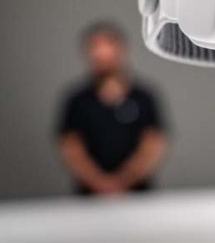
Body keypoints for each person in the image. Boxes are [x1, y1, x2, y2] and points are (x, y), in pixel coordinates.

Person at [57, 22, 167, 195]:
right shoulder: (77, 100)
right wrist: (100, 183)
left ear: (122, 50)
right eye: (95, 47)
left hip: (138, 195)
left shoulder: (143, 97)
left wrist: (122, 181)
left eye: (108, 45)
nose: (102, 53)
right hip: (89, 197)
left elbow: (153, 144)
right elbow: (71, 147)